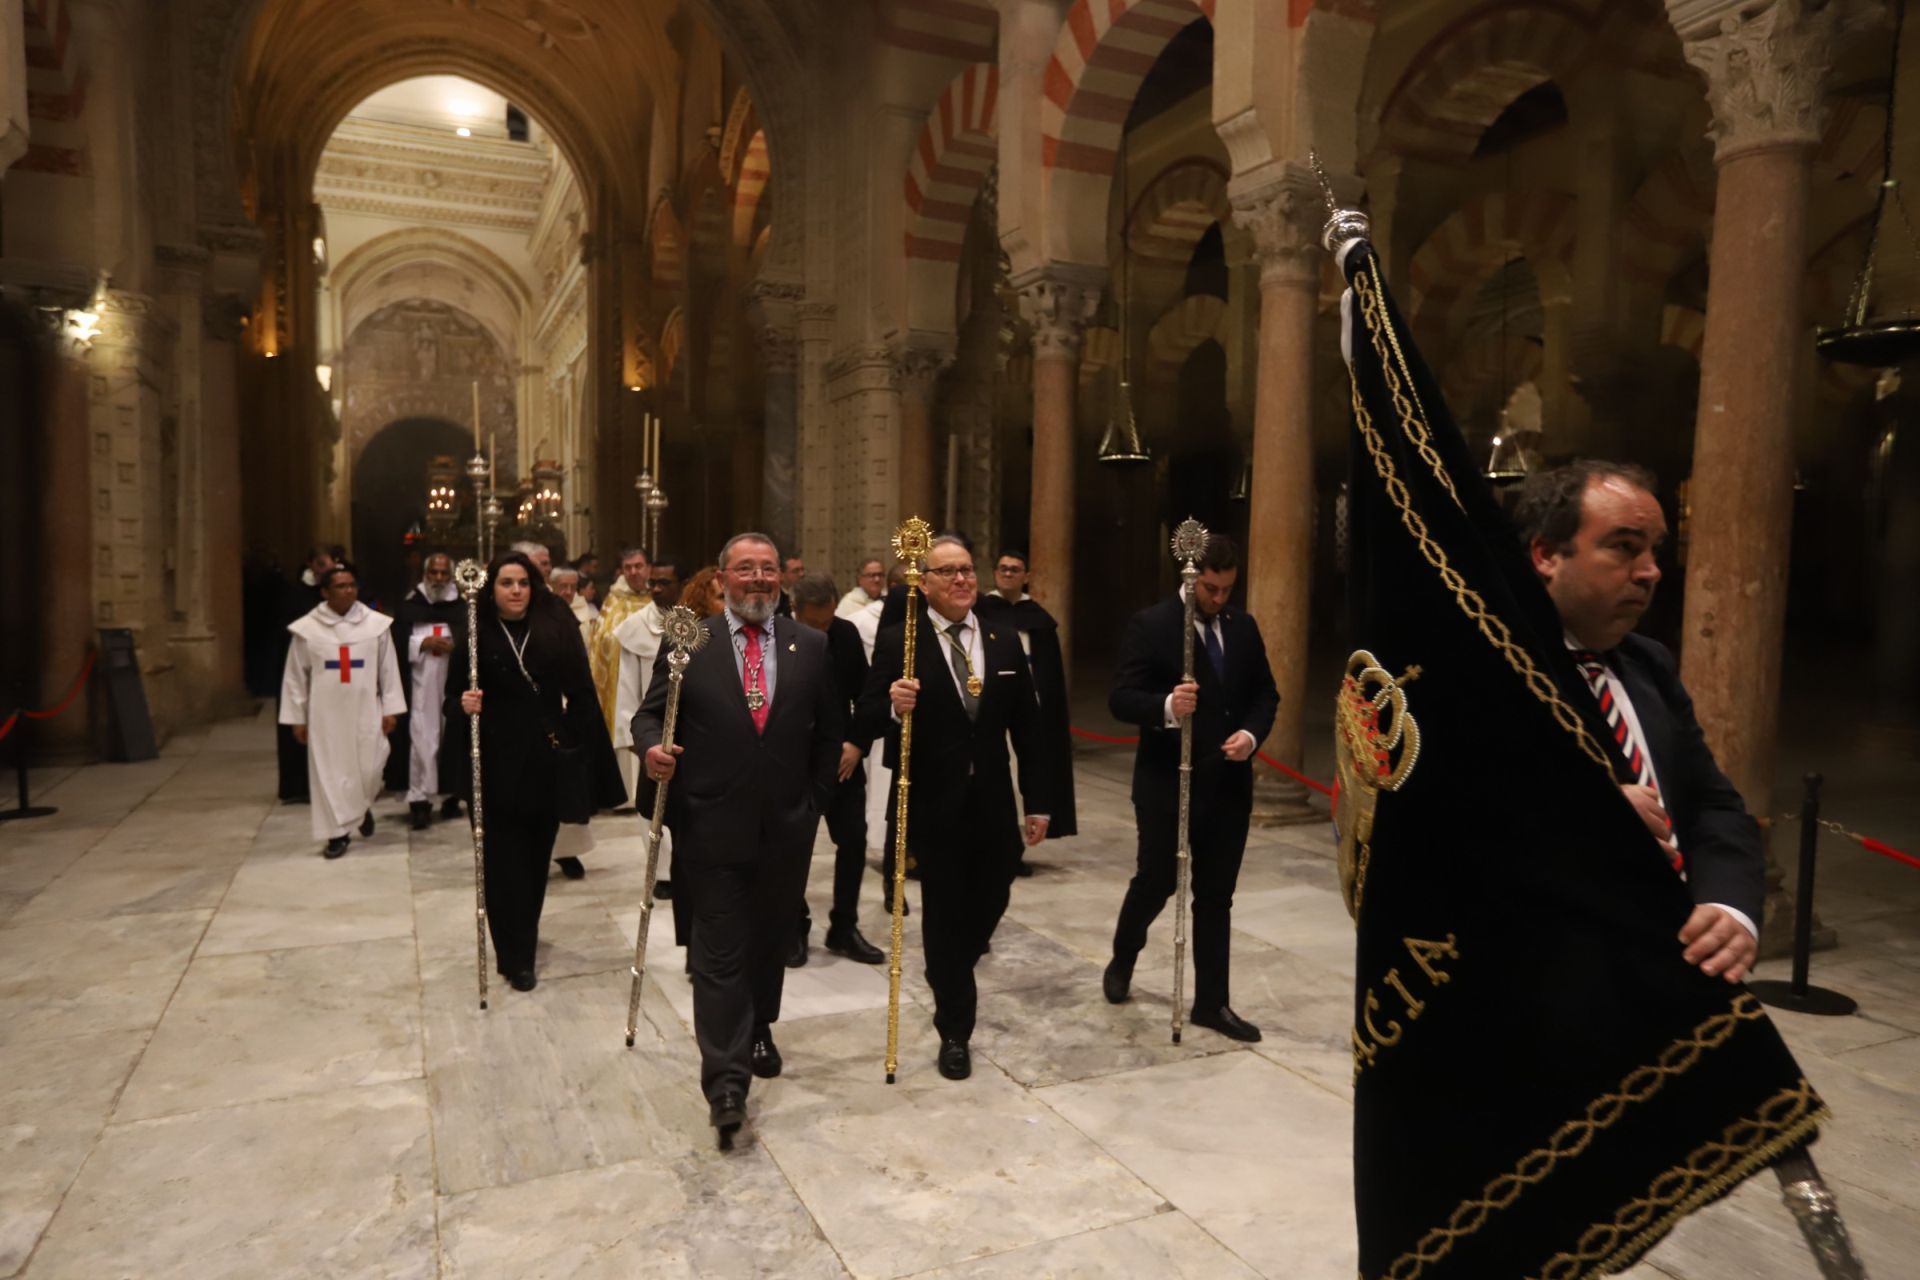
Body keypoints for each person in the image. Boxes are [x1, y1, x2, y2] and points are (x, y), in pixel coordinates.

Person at [635, 533, 842, 1147]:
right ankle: (725, 1083)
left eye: (768, 569)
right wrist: (652, 748)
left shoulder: (813, 645)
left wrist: (815, 802)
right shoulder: (687, 641)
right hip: (711, 821)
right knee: (720, 954)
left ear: (782, 579)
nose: (758, 579)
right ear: (721, 579)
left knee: (770, 938)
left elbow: (831, 731)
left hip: (786, 824)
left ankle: (760, 1028)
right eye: (745, 569)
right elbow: (650, 714)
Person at [1516, 460, 1763, 974]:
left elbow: (1714, 804)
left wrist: (1729, 908)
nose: (1650, 571)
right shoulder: (1491, 667)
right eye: (1624, 546)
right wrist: (1584, 816)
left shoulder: (1649, 662)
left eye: (1654, 551)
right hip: (1546, 973)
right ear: (1546, 554)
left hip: (1668, 965)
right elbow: (1444, 823)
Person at [859, 536, 1052, 1080]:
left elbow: (1030, 731)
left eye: (967, 569)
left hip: (992, 801)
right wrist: (894, 708)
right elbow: (868, 715)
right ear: (924, 585)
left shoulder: (1005, 640)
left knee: (990, 898)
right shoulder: (901, 641)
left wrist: (1038, 801)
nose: (963, 580)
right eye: (948, 572)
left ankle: (949, 970)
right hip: (933, 805)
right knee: (944, 915)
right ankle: (955, 1030)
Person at [1103, 533, 1277, 1043]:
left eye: (1226, 589)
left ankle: (1211, 1003)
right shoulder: (1153, 625)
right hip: (1166, 782)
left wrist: (1250, 734)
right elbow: (1120, 698)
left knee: (1216, 896)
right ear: (1190, 577)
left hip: (1227, 785)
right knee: (1157, 880)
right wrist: (1165, 707)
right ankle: (1123, 955)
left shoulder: (1243, 627)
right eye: (1209, 588)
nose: (1218, 599)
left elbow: (1266, 692)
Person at [446, 552, 623, 990]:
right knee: (500, 863)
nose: (516, 591)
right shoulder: (475, 628)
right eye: (506, 583)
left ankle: (525, 936)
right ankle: (514, 953)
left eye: (523, 582)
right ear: (493, 588)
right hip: (491, 758)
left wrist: (584, 752)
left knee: (533, 860)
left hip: (542, 758)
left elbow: (580, 690)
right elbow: (451, 697)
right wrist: (462, 704)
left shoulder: (554, 625)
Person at [789, 573, 885, 966]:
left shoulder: (844, 635)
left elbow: (868, 696)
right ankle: (793, 927)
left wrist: (857, 743)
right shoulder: (779, 636)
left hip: (843, 760)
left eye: (827, 621)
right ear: (796, 612)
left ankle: (843, 927)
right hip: (796, 763)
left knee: (854, 842)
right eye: (814, 624)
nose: (822, 631)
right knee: (794, 850)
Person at [279, 564, 405, 857]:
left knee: (372, 766)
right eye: (340, 586)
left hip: (366, 708)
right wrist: (297, 718)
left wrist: (391, 709)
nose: (348, 590)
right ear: (325, 592)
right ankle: (337, 834)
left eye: (352, 585)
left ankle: (359, 807)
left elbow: (388, 670)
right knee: (329, 772)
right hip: (325, 713)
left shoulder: (376, 625)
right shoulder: (308, 629)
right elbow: (296, 676)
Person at [976, 548, 1078, 872]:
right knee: (992, 777)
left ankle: (1014, 847)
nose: (1008, 574)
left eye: (1015, 569)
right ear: (994, 573)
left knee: (1028, 775)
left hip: (1027, 706)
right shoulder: (979, 610)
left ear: (1026, 576)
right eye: (1003, 568)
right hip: (989, 705)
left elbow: (1048, 673)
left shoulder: (1038, 619)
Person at [516, 539, 596, 878]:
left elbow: (575, 660)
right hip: (516, 715)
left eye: (548, 563)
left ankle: (566, 852)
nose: (546, 569)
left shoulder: (555, 607)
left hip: (555, 711)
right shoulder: (504, 608)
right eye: (540, 563)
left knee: (562, 786)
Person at [613, 553, 686, 889]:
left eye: (663, 583)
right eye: (652, 582)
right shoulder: (635, 628)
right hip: (650, 730)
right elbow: (627, 685)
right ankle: (660, 872)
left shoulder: (697, 626)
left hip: (688, 730)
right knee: (651, 801)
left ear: (682, 585)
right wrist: (632, 734)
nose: (655, 588)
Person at [384, 552, 464, 830]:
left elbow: (474, 643)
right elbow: (393, 646)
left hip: (453, 685)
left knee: (453, 738)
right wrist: (421, 643)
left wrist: (457, 649)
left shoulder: (463, 608)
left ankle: (452, 796)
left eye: (444, 573)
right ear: (425, 575)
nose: (439, 579)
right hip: (419, 689)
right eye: (434, 573)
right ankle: (420, 803)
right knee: (422, 740)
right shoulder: (409, 607)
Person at [276, 545, 334, 802]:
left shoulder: (338, 591)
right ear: (311, 564)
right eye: (322, 565)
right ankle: (299, 785)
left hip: (330, 667)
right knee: (301, 725)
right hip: (303, 663)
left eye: (331, 564)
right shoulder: (295, 593)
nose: (327, 570)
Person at [589, 545, 652, 757]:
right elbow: (602, 640)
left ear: (649, 568)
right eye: (628, 567)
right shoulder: (614, 600)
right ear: (622, 571)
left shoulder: (660, 599)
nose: (634, 572)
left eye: (639, 566)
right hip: (620, 683)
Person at [550, 564, 598, 651]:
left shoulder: (582, 607)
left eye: (573, 587)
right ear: (553, 585)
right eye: (564, 586)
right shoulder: (544, 607)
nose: (569, 592)